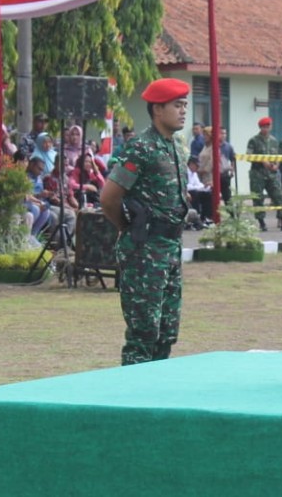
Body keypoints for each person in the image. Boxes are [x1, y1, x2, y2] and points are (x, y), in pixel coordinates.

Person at [100, 78, 191, 365]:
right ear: (157, 110)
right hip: (145, 250)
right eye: (177, 105)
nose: (183, 111)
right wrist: (127, 228)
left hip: (170, 248)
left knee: (166, 332)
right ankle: (132, 400)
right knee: (143, 333)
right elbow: (109, 198)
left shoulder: (175, 147)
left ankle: (158, 395)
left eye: (185, 105)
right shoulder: (141, 148)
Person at [246, 117, 282, 232]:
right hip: (257, 174)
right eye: (263, 127)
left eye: (268, 126)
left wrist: (277, 165)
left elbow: (278, 156)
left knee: (279, 196)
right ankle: (262, 222)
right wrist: (262, 161)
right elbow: (248, 156)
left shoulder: (274, 140)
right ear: (260, 127)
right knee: (258, 198)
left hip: (272, 173)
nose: (266, 129)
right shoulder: (254, 140)